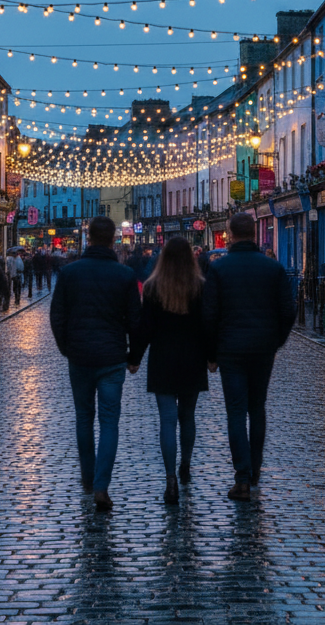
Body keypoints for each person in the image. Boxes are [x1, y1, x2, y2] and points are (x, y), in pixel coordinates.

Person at [50, 216, 142, 511]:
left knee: (83, 418)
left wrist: (66, 348)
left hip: (80, 357)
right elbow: (135, 321)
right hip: (113, 357)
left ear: (88, 238)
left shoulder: (69, 273)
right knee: (109, 421)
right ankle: (102, 485)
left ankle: (88, 478)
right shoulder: (124, 275)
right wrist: (134, 355)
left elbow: (57, 317)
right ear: (113, 238)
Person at [203, 213, 296, 502]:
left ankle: (241, 477)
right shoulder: (273, 268)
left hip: (231, 349)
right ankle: (254, 470)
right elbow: (288, 310)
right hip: (262, 348)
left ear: (230, 234)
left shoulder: (219, 270)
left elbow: (209, 315)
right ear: (254, 233)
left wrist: (211, 353)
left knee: (235, 411)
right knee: (257, 408)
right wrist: (276, 340)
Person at [130, 237, 209, 506]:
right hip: (192, 358)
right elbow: (205, 326)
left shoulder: (153, 288)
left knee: (167, 420)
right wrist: (212, 357)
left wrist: (135, 357)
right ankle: (185, 464)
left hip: (163, 358)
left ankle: (170, 479)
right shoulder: (199, 287)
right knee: (188, 417)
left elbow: (145, 327)